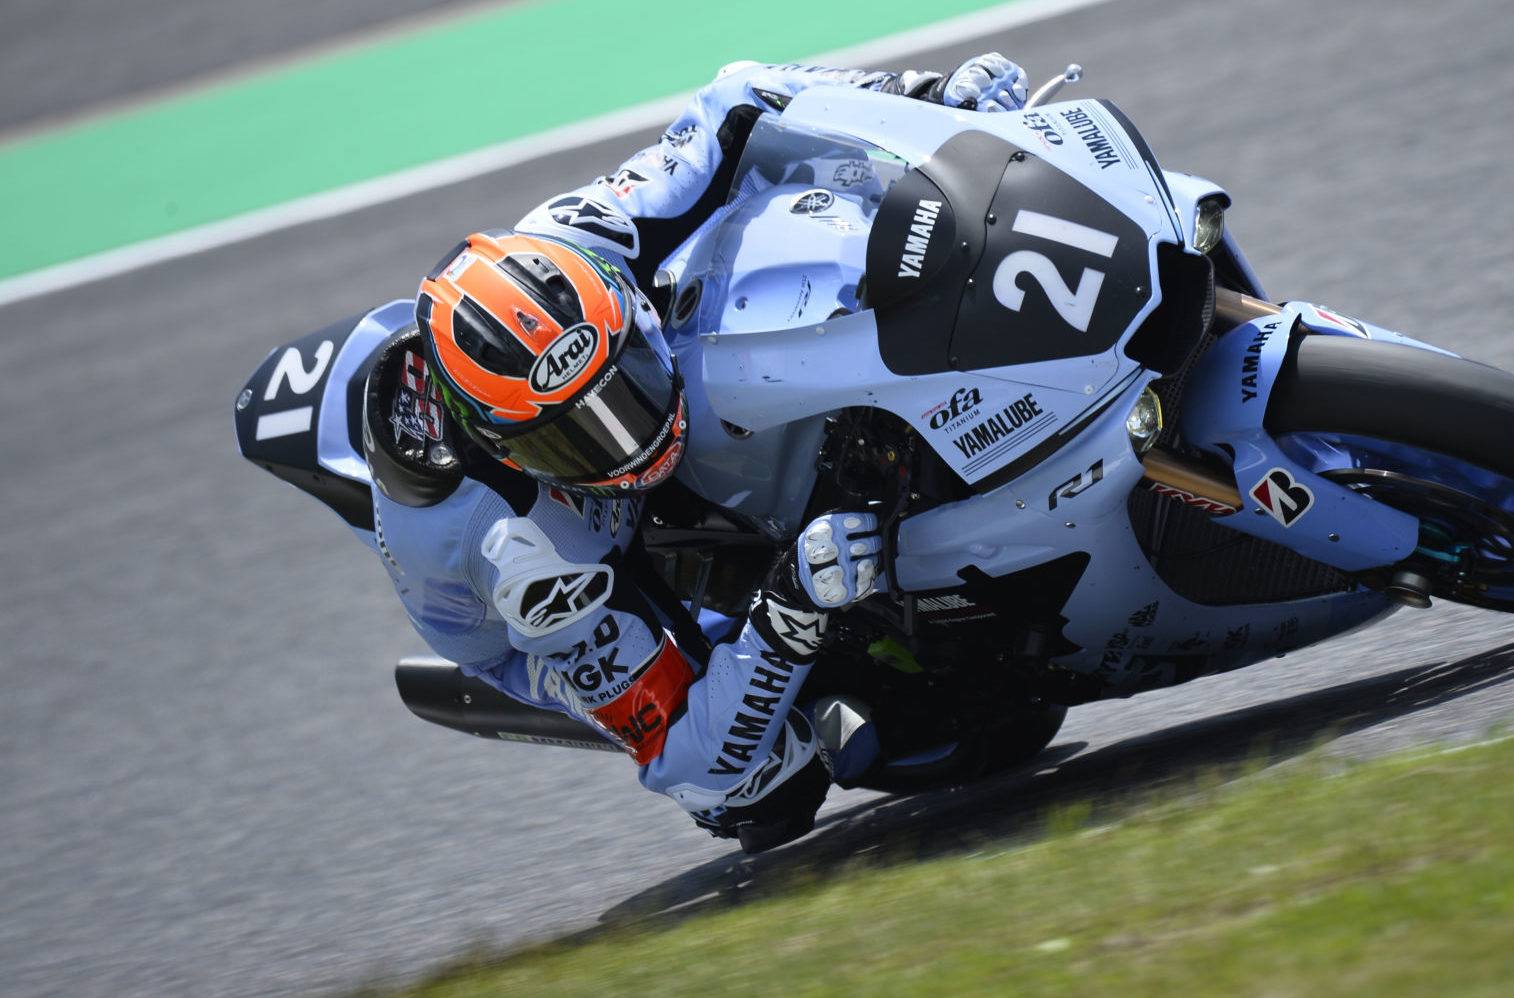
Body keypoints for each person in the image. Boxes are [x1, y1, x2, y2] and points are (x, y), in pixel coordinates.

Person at [363, 54, 1031, 853]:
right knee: (762, 791)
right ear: (511, 449)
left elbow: (740, 98)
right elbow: (693, 758)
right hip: (544, 608)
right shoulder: (528, 559)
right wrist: (789, 614)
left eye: (627, 382)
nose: (630, 434)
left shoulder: (587, 233)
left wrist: (921, 97)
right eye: (576, 435)